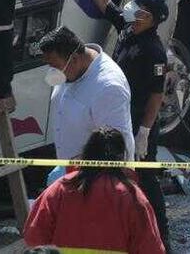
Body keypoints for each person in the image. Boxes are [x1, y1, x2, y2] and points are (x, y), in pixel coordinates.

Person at [63, 0, 170, 249]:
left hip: (138, 124)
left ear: (151, 19)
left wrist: (145, 133)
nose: (133, 10)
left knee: (146, 181)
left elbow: (156, 95)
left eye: (141, 10)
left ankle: (161, 240)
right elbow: (104, 2)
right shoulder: (128, 28)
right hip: (117, 117)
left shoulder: (153, 51)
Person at [23, 127, 164, 253]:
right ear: (122, 158)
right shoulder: (132, 196)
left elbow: (34, 236)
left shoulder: (60, 189)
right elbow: (150, 247)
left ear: (86, 154)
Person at [38, 27, 136, 165]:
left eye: (55, 66)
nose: (52, 72)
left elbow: (117, 150)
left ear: (74, 59)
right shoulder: (70, 69)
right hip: (69, 170)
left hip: (93, 177)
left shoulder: (109, 88)